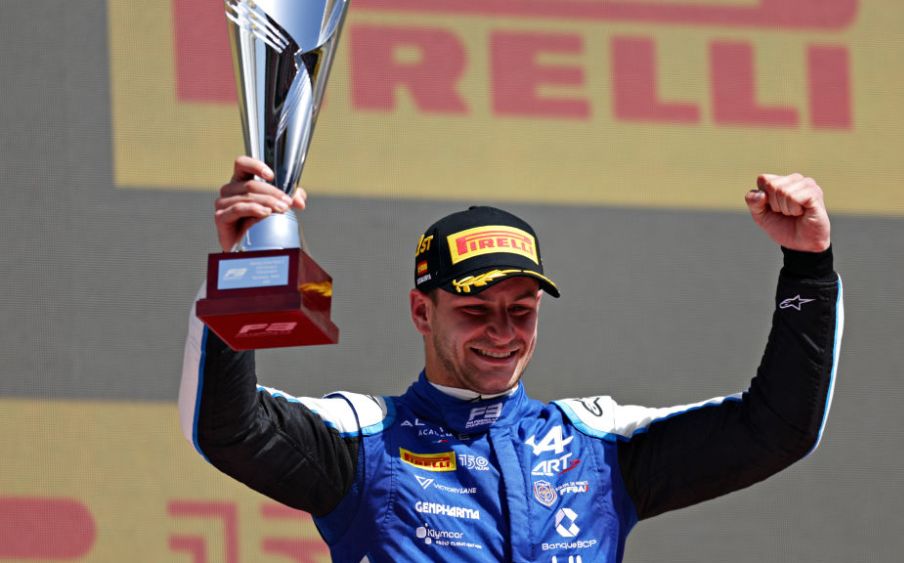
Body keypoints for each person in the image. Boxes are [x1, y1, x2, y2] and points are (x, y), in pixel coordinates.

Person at [180, 156, 844, 562]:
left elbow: (776, 430)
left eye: (521, 310)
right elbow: (230, 429)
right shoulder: (366, 444)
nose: (503, 332)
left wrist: (808, 266)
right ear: (422, 312)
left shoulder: (599, 450)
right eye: (475, 310)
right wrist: (246, 264)